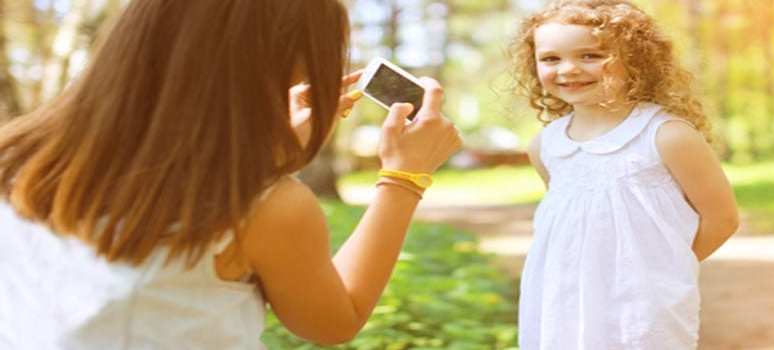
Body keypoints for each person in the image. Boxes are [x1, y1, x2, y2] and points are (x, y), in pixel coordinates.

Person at [0, 0, 461, 349]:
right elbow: (334, 322)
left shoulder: (16, 156)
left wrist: (267, 154)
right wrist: (404, 178)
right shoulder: (265, 209)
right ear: (271, 66)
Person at [509, 0, 739, 348]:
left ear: (636, 60)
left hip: (642, 305)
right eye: (551, 59)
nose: (569, 69)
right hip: (561, 300)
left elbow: (722, 219)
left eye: (590, 55)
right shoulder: (545, 146)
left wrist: (663, 268)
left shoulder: (666, 135)